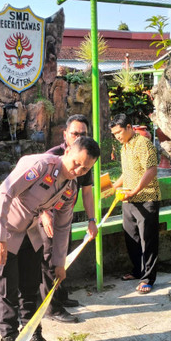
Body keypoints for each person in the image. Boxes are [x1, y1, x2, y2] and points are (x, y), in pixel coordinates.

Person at [0, 136, 100, 341]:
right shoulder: (40, 165)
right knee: (6, 292)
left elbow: (63, 226)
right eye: (76, 163)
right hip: (4, 231)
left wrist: (59, 263)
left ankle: (33, 339)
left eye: (85, 168)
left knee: (30, 288)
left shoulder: (70, 188)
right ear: (67, 151)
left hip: (30, 235)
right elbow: (4, 193)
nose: (78, 170)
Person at [39, 114, 98, 323]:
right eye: (75, 133)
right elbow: (36, 191)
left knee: (62, 256)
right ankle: (52, 308)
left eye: (83, 134)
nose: (79, 137)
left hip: (65, 215)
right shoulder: (52, 156)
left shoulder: (86, 158)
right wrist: (44, 215)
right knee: (49, 260)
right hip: (46, 216)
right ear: (65, 134)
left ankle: (60, 296)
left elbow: (88, 192)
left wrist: (92, 220)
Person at [110, 113, 161, 294]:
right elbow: (128, 172)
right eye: (114, 134)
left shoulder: (143, 144)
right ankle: (137, 270)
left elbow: (151, 170)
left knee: (148, 240)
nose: (117, 137)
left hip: (146, 199)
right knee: (131, 237)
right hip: (128, 199)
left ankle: (148, 278)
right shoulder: (124, 147)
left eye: (119, 132)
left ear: (130, 127)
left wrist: (134, 191)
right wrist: (113, 187)